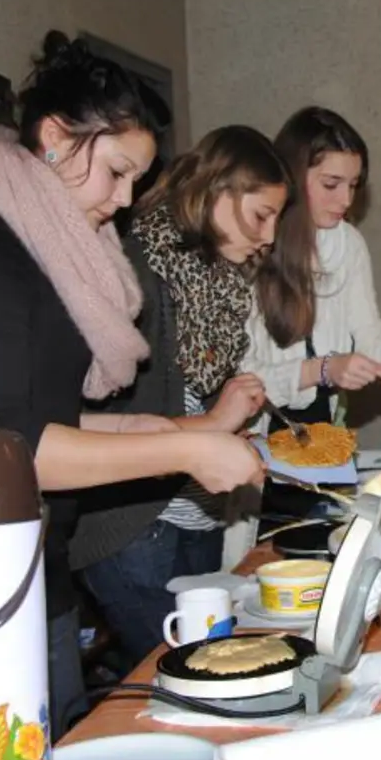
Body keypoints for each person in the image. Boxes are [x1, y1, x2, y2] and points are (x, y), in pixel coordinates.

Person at [0, 31, 267, 736]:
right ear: (56, 137)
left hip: (34, 574)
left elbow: (56, 417)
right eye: (118, 172)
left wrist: (191, 431)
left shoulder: (36, 256)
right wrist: (183, 453)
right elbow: (15, 451)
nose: (125, 201)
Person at [71, 125, 296, 671]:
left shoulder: (219, 277)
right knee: (190, 679)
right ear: (219, 190)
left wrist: (230, 418)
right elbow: (102, 414)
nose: (268, 237)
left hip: (196, 513)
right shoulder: (136, 266)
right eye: (261, 215)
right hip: (133, 523)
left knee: (204, 674)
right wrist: (218, 422)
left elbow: (192, 400)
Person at [242, 106, 381, 429]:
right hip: (258, 433)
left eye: (354, 184)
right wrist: (323, 369)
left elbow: (373, 352)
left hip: (323, 429)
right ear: (292, 175)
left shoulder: (350, 244)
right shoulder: (252, 243)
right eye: (331, 184)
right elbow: (240, 376)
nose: (346, 200)